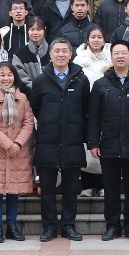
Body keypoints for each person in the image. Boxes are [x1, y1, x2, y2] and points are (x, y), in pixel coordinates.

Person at [88, 41, 129, 242]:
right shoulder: (101, 84)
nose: (120, 56)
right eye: (116, 53)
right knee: (110, 188)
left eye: (123, 53)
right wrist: (93, 143)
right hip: (108, 143)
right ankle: (112, 226)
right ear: (111, 57)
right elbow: (93, 117)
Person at [29, 39, 90, 242]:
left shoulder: (81, 79)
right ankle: (49, 227)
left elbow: (85, 109)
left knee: (70, 189)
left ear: (71, 54)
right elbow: (36, 108)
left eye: (65, 51)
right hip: (48, 140)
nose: (61, 54)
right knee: (47, 189)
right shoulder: (40, 80)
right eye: (57, 51)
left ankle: (68, 226)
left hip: (72, 140)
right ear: (51, 55)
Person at [0, 63, 35, 243]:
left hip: (17, 150)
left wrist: (17, 143)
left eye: (9, 75)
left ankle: (12, 226)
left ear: (15, 77)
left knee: (14, 190)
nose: (6, 78)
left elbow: (28, 123)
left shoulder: (22, 98)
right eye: (2, 75)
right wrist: (8, 145)